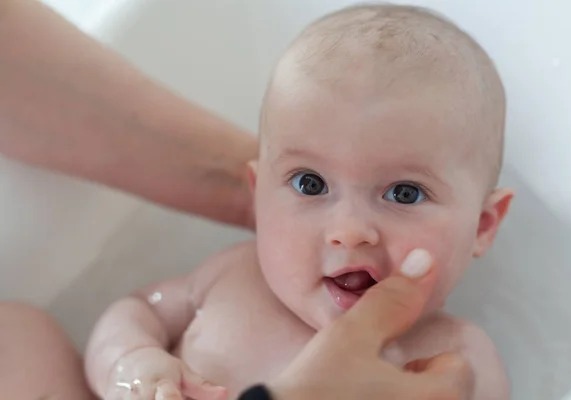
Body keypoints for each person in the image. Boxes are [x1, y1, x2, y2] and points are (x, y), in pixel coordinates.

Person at [0, 1, 472, 399]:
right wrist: (131, 365)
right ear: (258, 193)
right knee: (16, 335)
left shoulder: (451, 358)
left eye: (404, 193)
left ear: (484, 225)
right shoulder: (236, 275)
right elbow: (138, 310)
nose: (348, 229)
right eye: (310, 184)